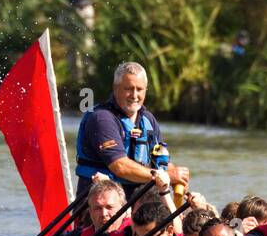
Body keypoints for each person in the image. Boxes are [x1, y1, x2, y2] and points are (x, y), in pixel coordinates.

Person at [74, 62, 188, 202]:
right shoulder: (101, 118)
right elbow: (119, 166)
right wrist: (167, 176)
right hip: (101, 206)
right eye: (128, 88)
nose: (134, 95)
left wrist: (176, 174)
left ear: (146, 90)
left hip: (138, 202)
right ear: (115, 89)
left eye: (139, 89)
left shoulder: (148, 119)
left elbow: (160, 160)